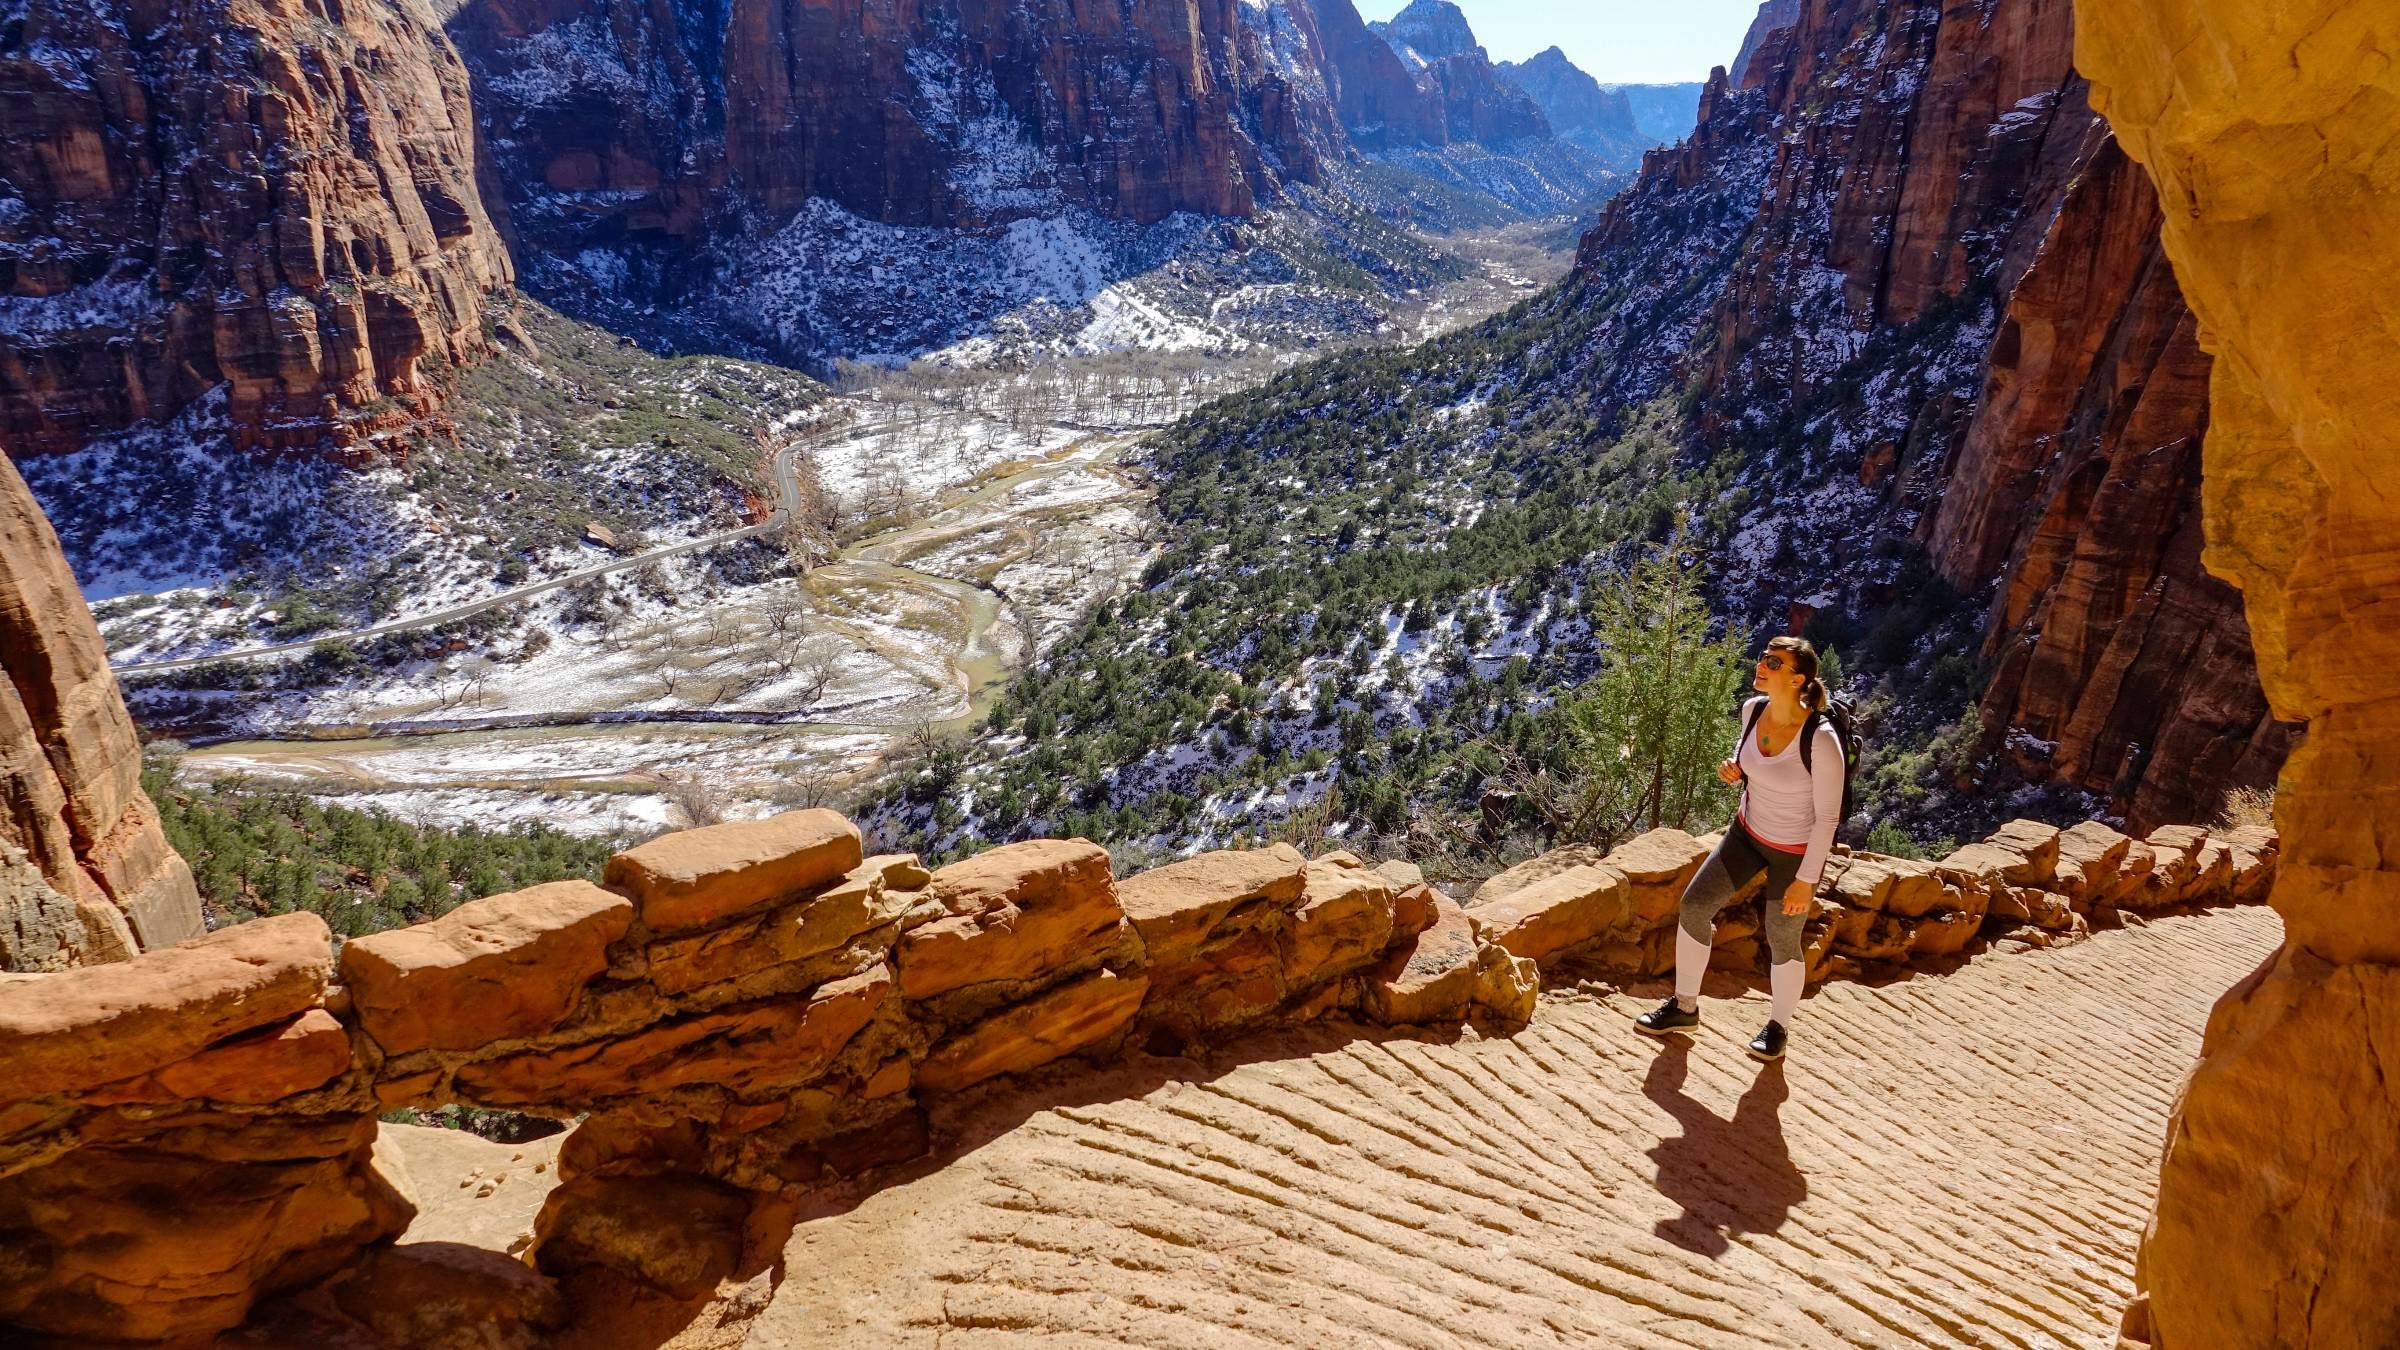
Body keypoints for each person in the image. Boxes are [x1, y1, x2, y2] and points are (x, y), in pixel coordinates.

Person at [1634, 636, 1842, 1062]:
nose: (1760, 665)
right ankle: (1684, 1007)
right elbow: (1744, 756)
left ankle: (1778, 1028)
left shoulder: (1820, 740)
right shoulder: (1753, 710)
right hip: (1747, 834)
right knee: (1694, 905)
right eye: (1762, 657)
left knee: (1782, 937)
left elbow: (1828, 819)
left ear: (1797, 679)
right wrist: (1734, 769)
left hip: (1796, 853)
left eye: (1772, 662)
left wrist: (1806, 881)